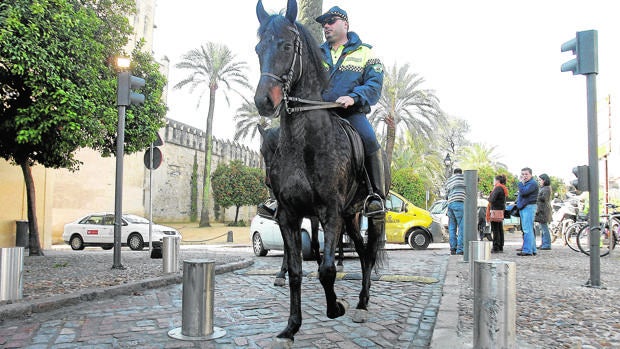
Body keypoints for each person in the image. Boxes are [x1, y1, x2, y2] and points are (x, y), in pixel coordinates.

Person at [315, 7, 385, 216]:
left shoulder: (366, 53)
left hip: (350, 114)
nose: (326, 25)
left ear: (345, 24)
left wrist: (353, 97)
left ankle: (376, 196)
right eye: (323, 23)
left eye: (331, 21)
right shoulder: (316, 53)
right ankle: (279, 198)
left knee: (369, 139)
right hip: (318, 114)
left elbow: (374, 84)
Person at [516, 167, 539, 256]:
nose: (524, 176)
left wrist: (520, 183)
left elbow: (524, 192)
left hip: (528, 207)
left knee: (527, 229)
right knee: (528, 229)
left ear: (531, 174)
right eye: (523, 174)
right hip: (525, 207)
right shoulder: (529, 183)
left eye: (526, 174)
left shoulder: (532, 183)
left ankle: (527, 250)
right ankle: (532, 249)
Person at [445, 168, 466, 255]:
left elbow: (446, 196)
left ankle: (453, 248)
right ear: (461, 173)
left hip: (450, 204)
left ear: (454, 173)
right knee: (462, 227)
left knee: (452, 227)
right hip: (460, 203)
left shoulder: (449, 180)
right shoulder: (464, 178)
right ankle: (460, 249)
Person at [487, 174, 508, 253]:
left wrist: (488, 197)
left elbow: (492, 199)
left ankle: (496, 246)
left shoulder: (498, 188)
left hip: (495, 210)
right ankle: (500, 245)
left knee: (495, 229)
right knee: (499, 228)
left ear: (497, 180)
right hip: (500, 210)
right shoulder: (502, 188)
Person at [535, 173, 553, 250]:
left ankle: (547, 244)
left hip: (543, 210)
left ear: (544, 180)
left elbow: (544, 199)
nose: (539, 181)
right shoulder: (544, 188)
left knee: (544, 228)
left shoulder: (546, 188)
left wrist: (536, 196)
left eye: (540, 180)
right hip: (542, 210)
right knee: (542, 228)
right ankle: (544, 243)